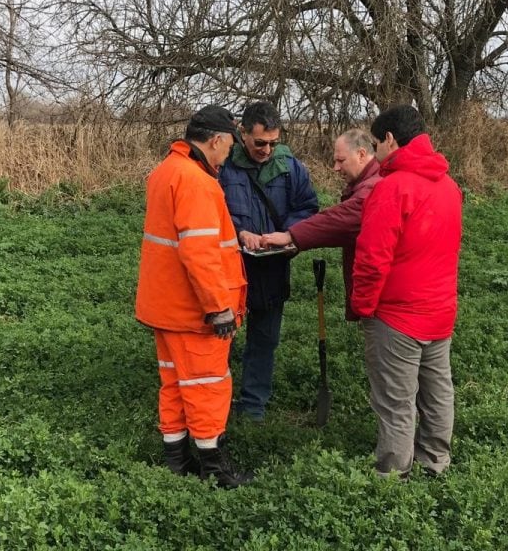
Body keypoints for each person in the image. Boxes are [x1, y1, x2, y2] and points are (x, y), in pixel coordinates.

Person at [135, 105, 252, 488]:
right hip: (194, 313)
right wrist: (219, 308)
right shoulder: (198, 181)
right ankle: (215, 470)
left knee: (174, 385)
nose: (228, 155)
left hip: (165, 308)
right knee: (206, 387)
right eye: (229, 147)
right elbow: (200, 253)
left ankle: (177, 462)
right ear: (216, 140)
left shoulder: (165, 171)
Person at [351, 105, 462, 479]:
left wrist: (363, 307)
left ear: (390, 140)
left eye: (376, 144)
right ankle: (435, 464)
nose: (376, 154)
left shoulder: (391, 188)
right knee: (437, 392)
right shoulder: (449, 186)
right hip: (439, 311)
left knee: (396, 401)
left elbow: (372, 259)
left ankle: (392, 474)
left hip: (397, 316)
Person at [219, 101, 318, 422]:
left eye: (273, 143)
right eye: (259, 142)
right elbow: (209, 213)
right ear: (242, 133)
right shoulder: (222, 166)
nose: (266, 149)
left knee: (264, 339)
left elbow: (308, 208)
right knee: (221, 337)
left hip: (272, 266)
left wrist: (287, 235)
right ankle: (216, 402)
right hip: (230, 266)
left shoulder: (291, 167)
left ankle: (252, 408)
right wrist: (239, 232)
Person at [261, 129, 381, 320]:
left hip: (383, 304)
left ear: (361, 154)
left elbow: (339, 219)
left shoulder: (372, 188)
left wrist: (291, 236)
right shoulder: (370, 182)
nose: (335, 167)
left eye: (341, 161)